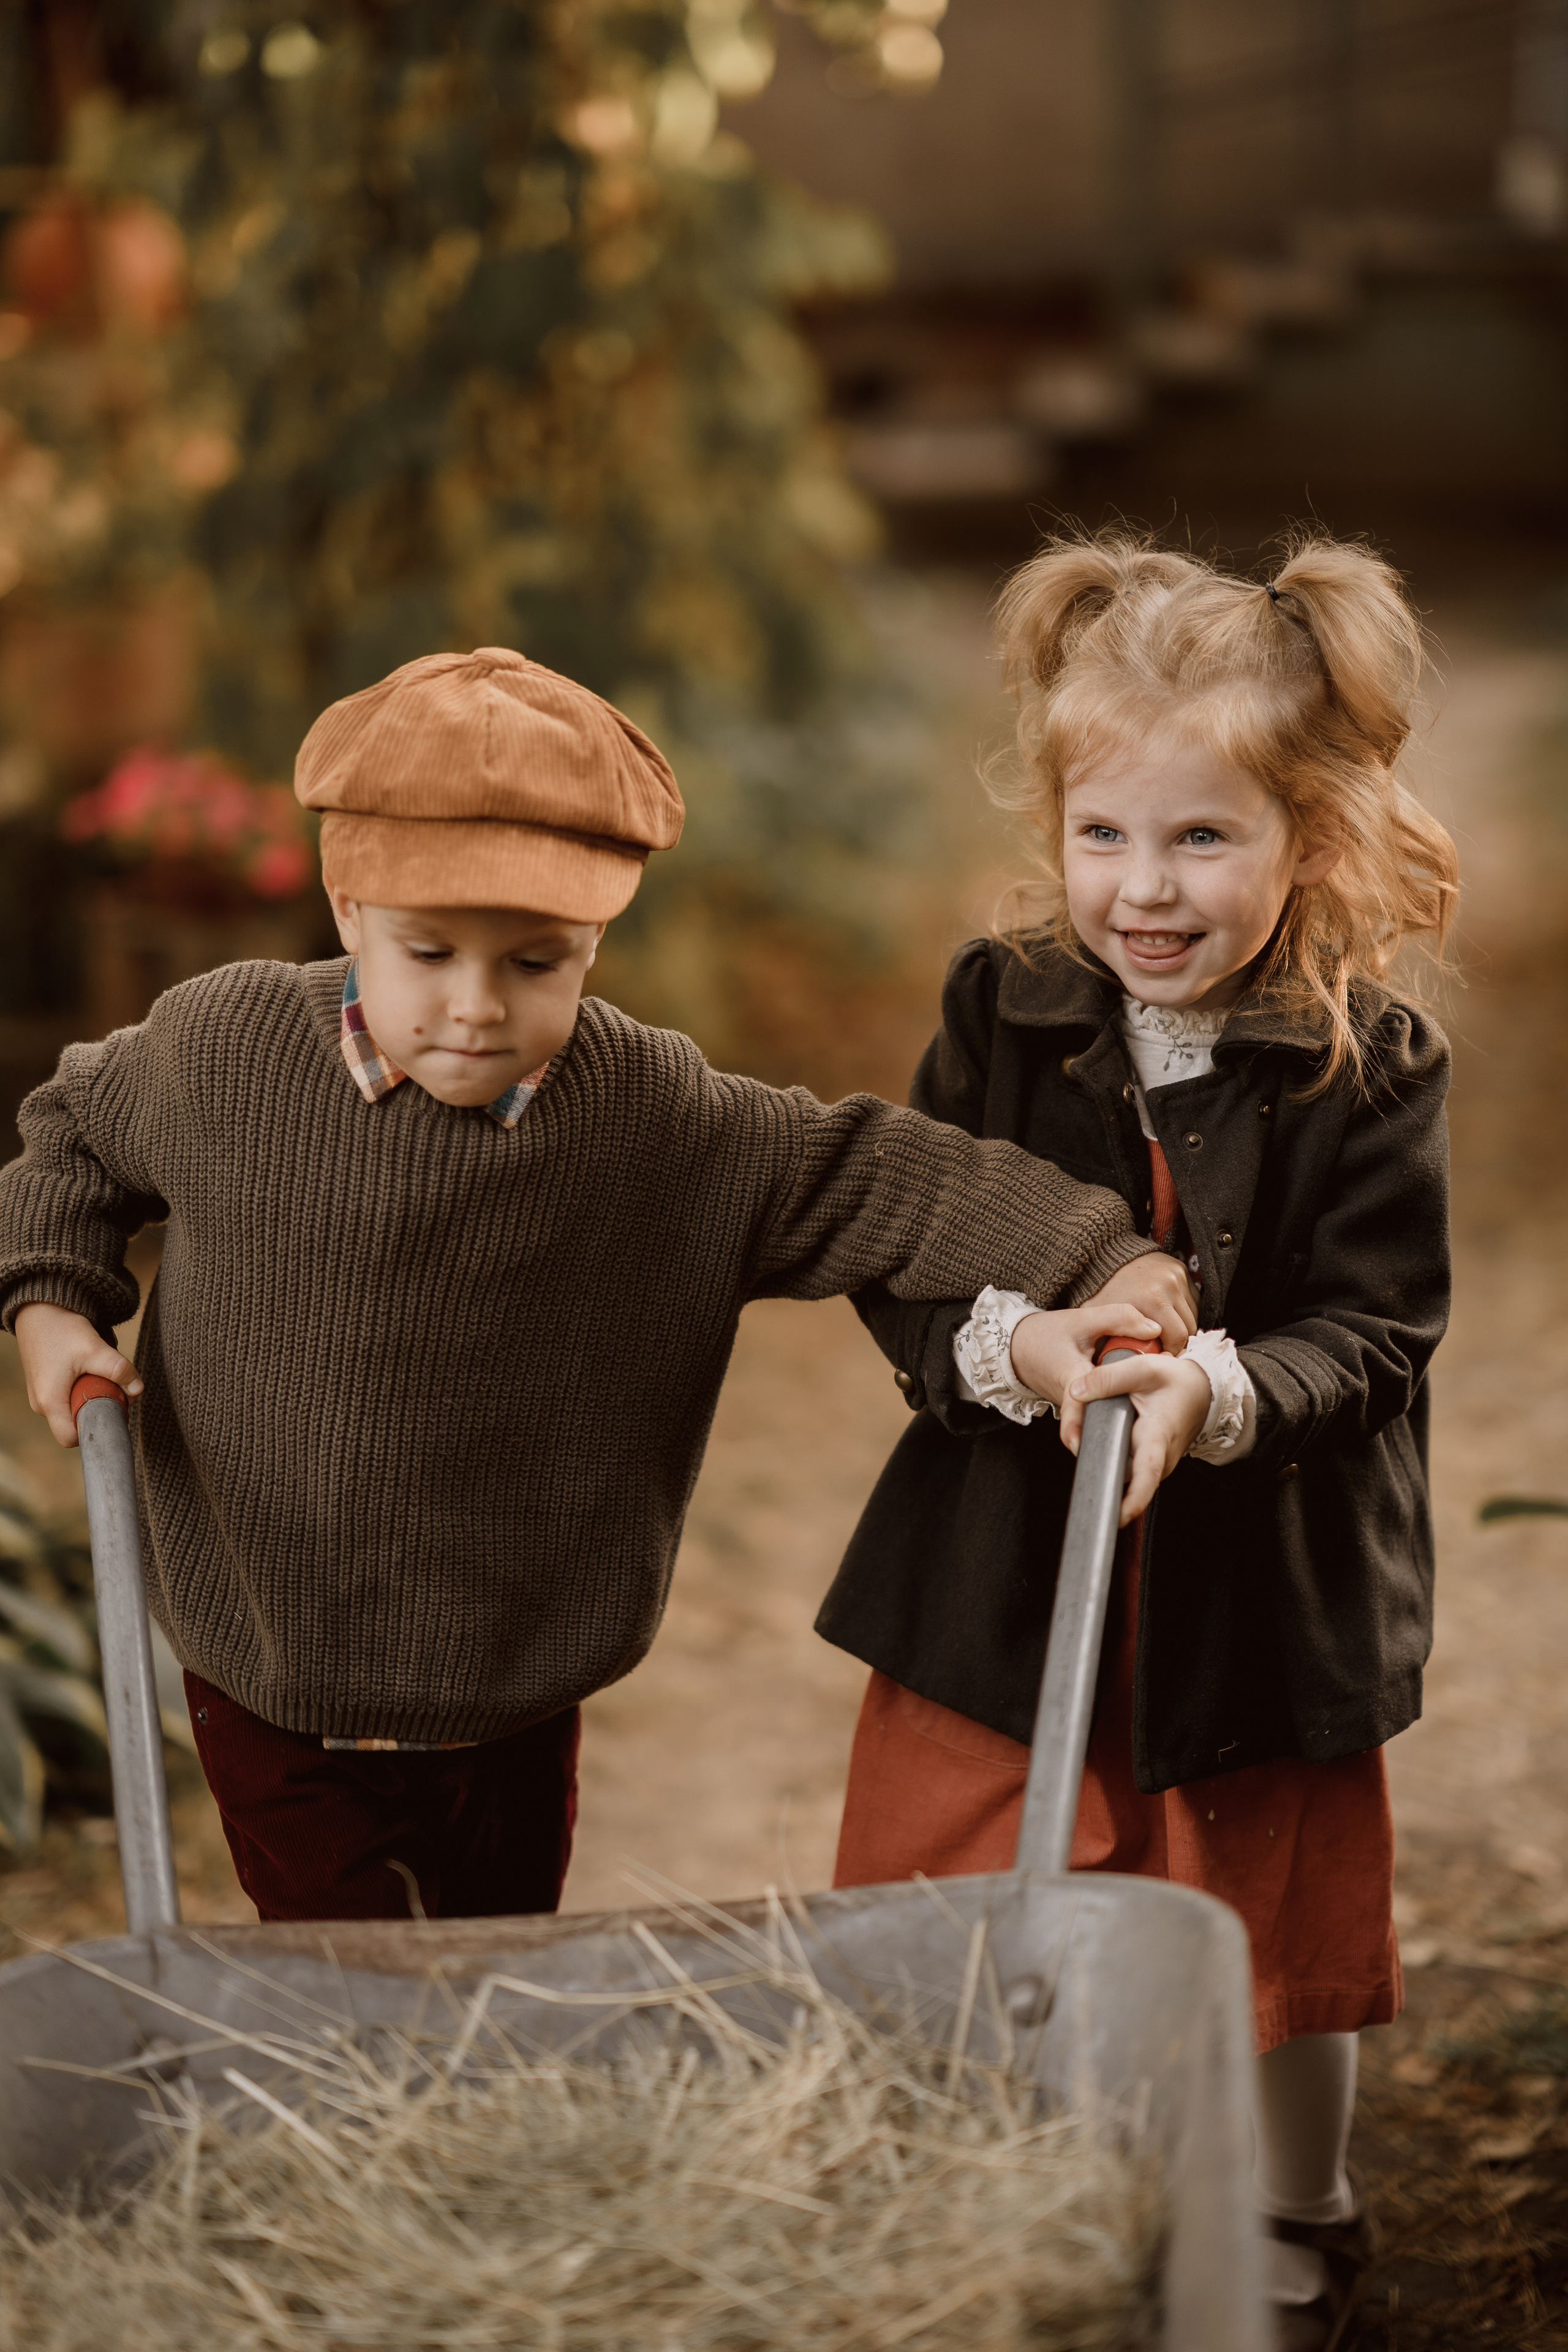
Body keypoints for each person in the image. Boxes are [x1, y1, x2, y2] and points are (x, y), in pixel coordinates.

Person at [0, 644, 1192, 1930]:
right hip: (265, 1641)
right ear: (348, 908)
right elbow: (75, 1126)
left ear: (595, 936)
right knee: (354, 1982)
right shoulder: (221, 1051)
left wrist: (1096, 1252)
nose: (473, 1007)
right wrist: (55, 1295)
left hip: (517, 1667)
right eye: (429, 951)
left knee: (502, 1945)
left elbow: (869, 1172)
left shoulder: (651, 1119)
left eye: (535, 962)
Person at [815, 533, 1457, 2352]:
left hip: (1258, 1562)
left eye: (1203, 839)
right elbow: (902, 1234)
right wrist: (1014, 1346)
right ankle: (1012, 2169)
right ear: (1056, 824)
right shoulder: (997, 1006)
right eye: (1108, 836)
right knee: (975, 1859)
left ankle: (1292, 2205)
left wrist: (1219, 1392)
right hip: (1001, 1556)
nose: (1146, 889)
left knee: (1266, 1902)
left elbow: (1379, 1332)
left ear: (1306, 838)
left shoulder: (1370, 1060)